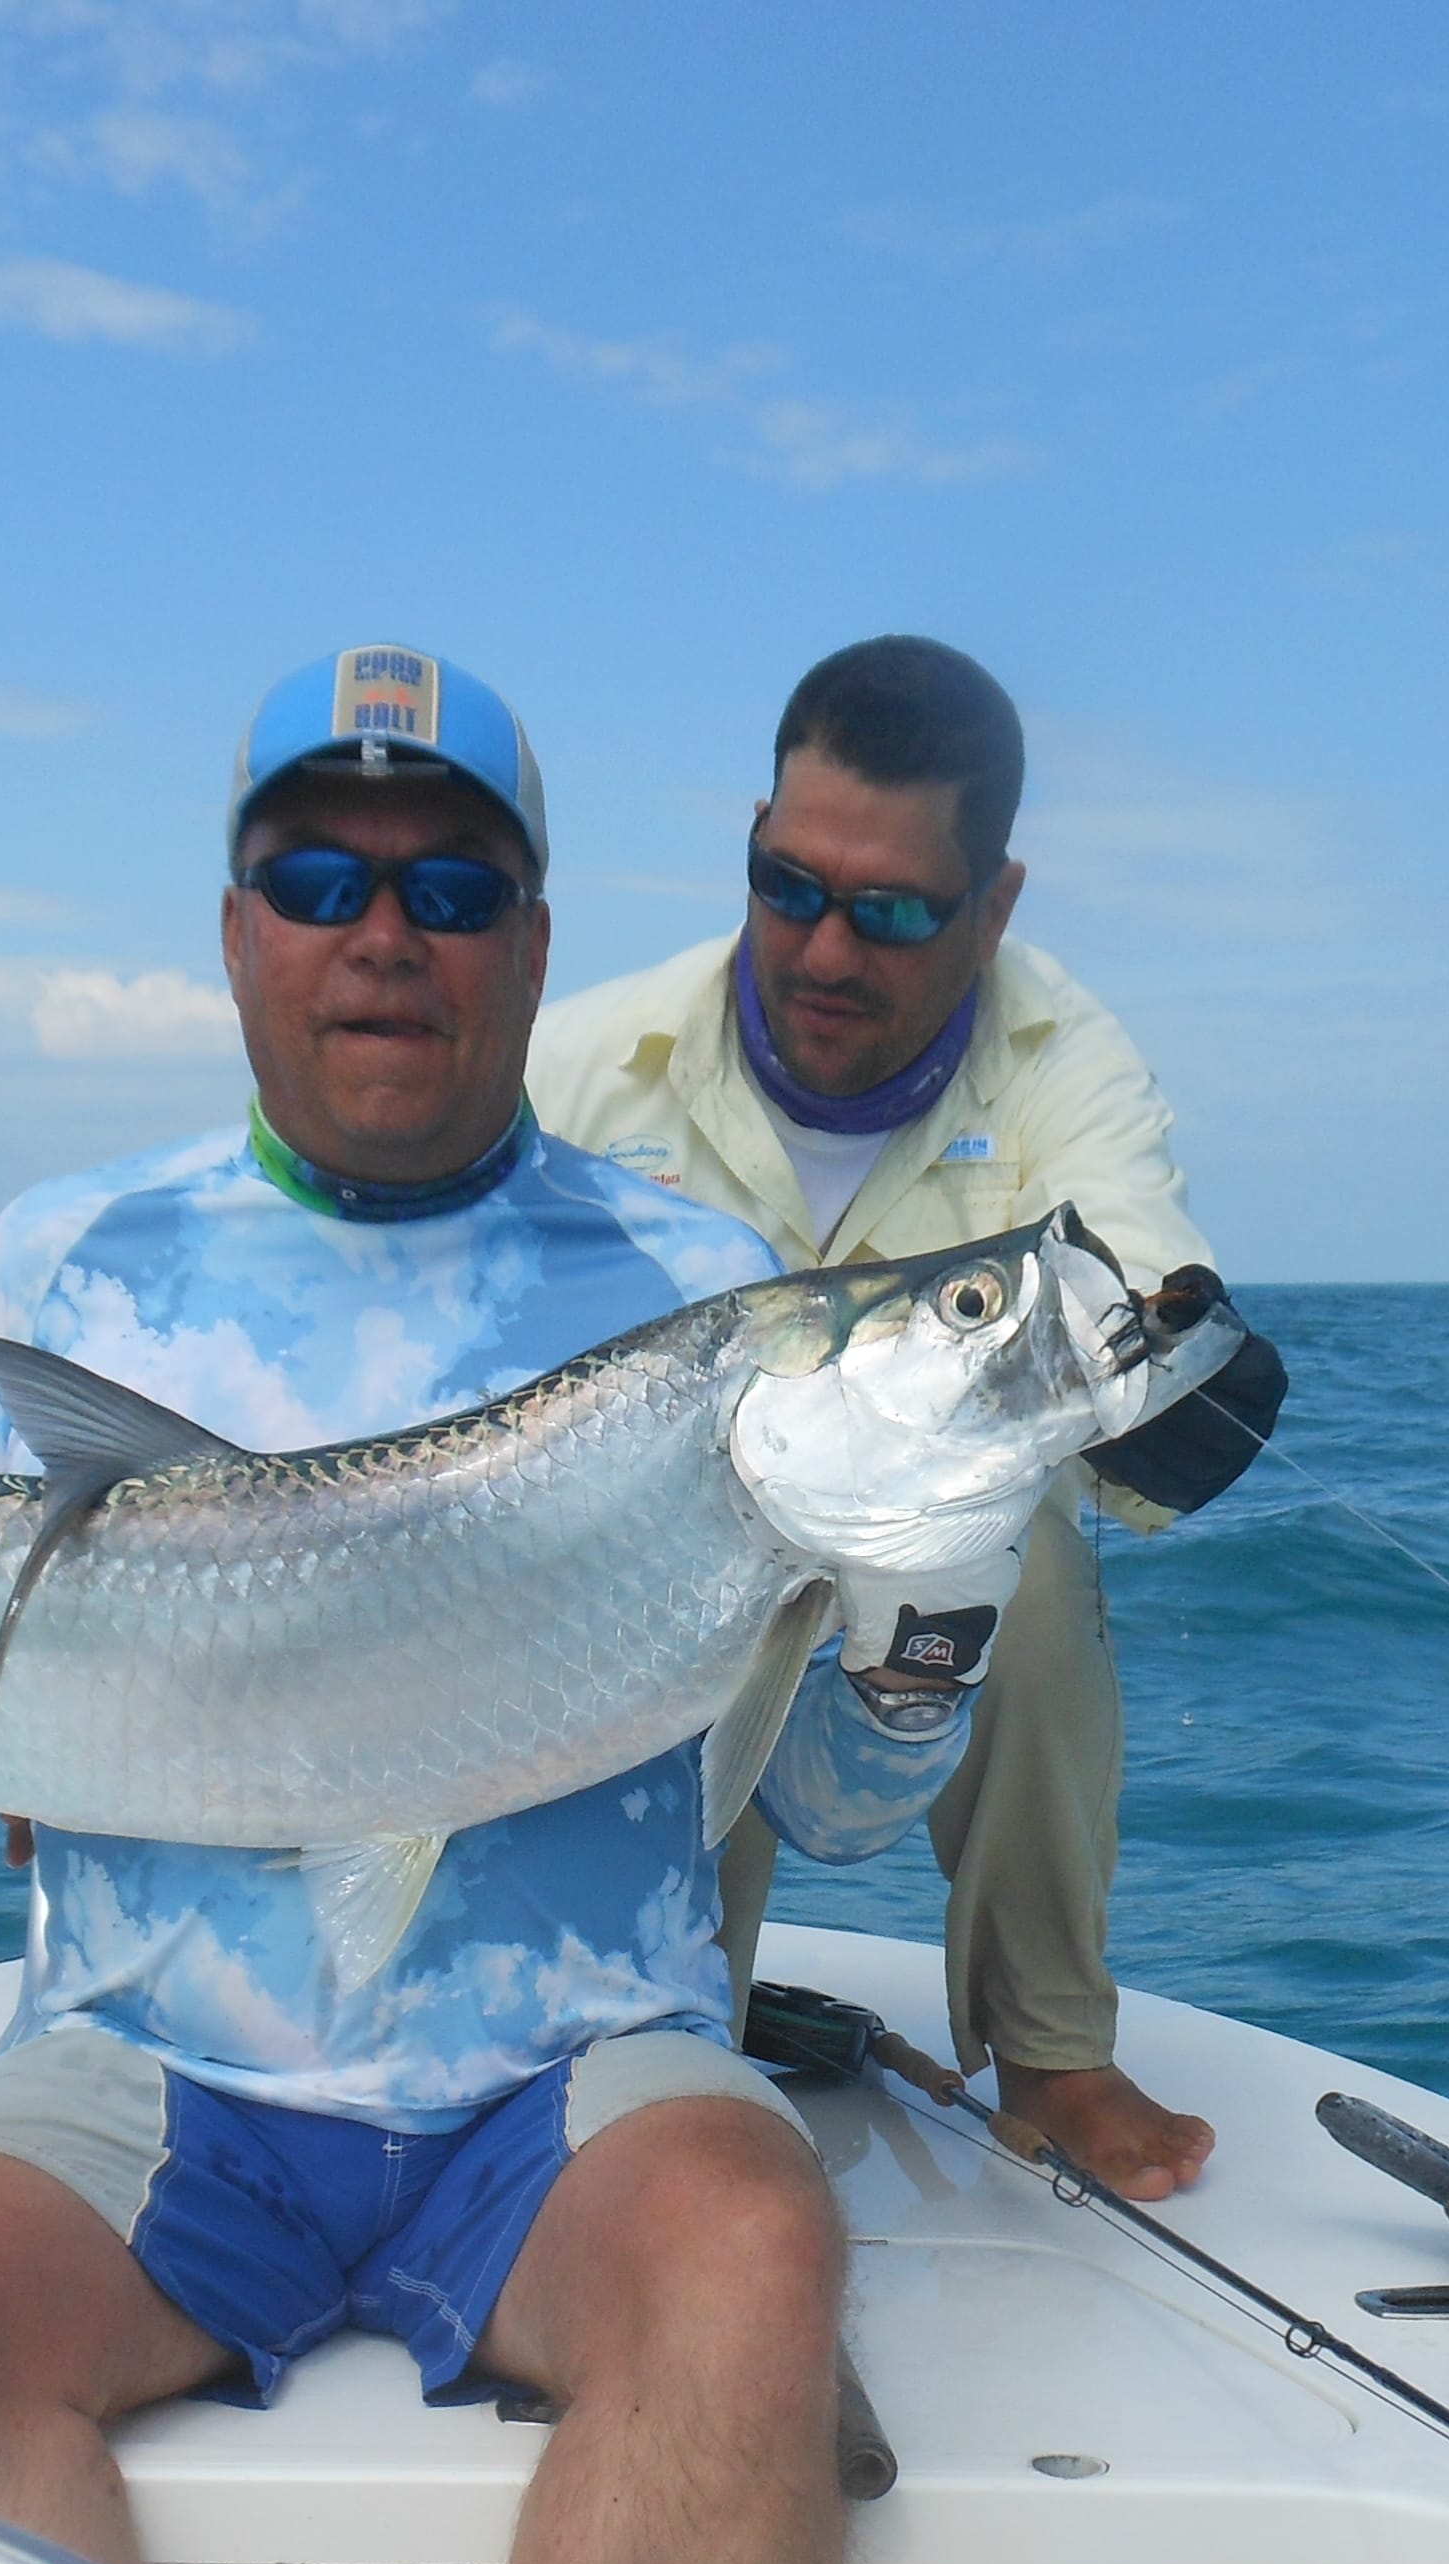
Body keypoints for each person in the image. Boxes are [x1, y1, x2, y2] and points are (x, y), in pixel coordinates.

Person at [0, 644, 989, 2564]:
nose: (387, 938)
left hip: (573, 2083)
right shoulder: (64, 1267)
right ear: (232, 929)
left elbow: (825, 1807)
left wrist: (925, 1637)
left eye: (453, 892)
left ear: (537, 944)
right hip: (154, 2075)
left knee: (751, 2251)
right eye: (321, 881)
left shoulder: (713, 1296)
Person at [530, 636, 1282, 2204]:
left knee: (1047, 1576)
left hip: (948, 1582)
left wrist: (1186, 1384)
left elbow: (1139, 1282)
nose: (822, 948)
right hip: (676, 1586)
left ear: (995, 908)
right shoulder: (587, 1064)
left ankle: (1053, 2045)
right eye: (789, 884)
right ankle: (689, 2023)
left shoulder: (1067, 1057)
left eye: (892, 915)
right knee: (666, 2099)